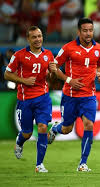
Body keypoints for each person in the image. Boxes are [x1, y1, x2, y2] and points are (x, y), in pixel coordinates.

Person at [47, 18, 100, 172]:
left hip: (89, 95)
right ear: (78, 31)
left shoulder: (99, 48)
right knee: (67, 129)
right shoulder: (68, 48)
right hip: (70, 95)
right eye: (85, 30)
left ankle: (83, 163)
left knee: (89, 125)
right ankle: (55, 128)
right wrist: (69, 80)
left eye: (90, 30)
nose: (88, 33)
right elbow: (54, 66)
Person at [4, 26, 55, 172]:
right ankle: (19, 142)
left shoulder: (48, 54)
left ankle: (39, 164)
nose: (38, 39)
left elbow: (51, 77)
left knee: (43, 127)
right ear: (28, 39)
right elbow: (7, 74)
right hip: (25, 99)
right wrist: (23, 80)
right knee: (27, 133)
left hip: (43, 97)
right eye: (34, 37)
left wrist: (52, 72)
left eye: (39, 36)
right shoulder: (19, 55)